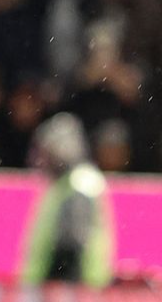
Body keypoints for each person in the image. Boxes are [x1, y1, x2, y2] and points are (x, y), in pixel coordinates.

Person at [16, 112, 116, 286]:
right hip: (72, 287)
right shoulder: (66, 184)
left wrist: (53, 280)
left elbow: (72, 244)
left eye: (45, 152)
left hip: (75, 289)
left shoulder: (79, 183)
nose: (40, 160)